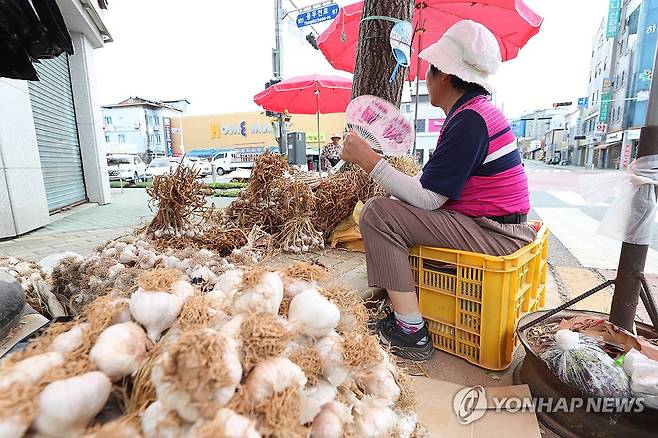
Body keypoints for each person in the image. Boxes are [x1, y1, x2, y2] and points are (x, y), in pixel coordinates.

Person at [341, 20, 536, 361]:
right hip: (495, 225)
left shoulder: (470, 121)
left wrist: (369, 160)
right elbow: (429, 192)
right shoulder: (475, 114)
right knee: (389, 207)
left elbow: (427, 199)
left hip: (497, 233)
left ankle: (411, 331)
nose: (425, 78)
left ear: (444, 74)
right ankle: (401, 303)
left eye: (430, 70)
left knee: (377, 213)